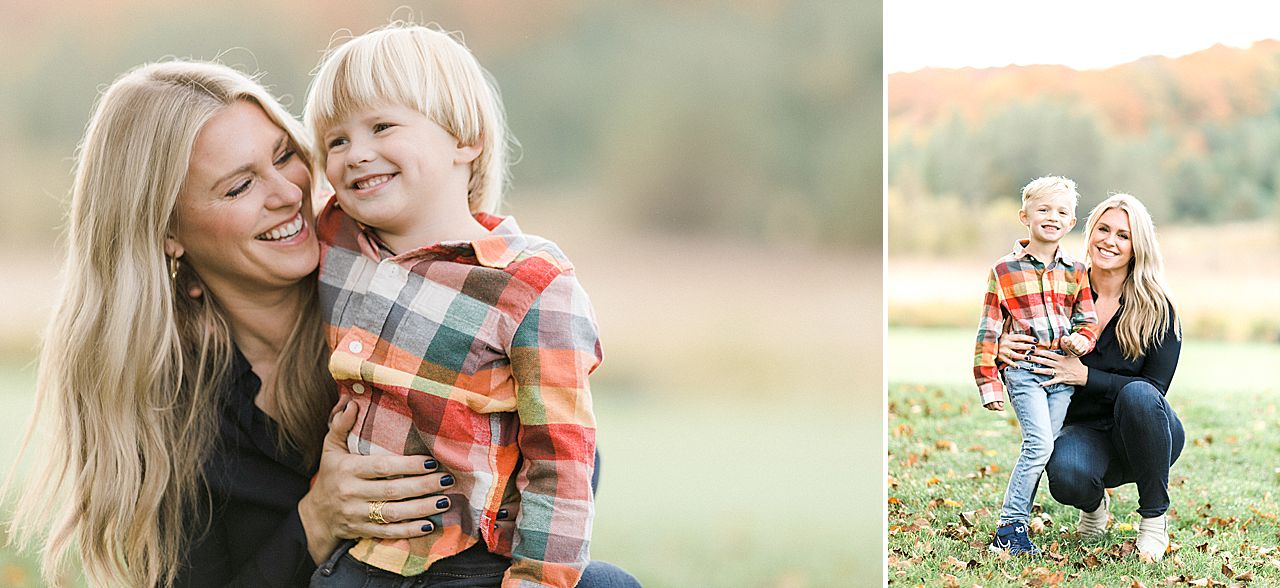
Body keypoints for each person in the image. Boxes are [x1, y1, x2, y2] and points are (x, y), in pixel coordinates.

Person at [6, 60, 637, 588]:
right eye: (238, 187)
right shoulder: (163, 399)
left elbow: (567, 457)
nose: (287, 192)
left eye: (285, 155)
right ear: (168, 233)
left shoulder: (387, 283)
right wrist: (318, 518)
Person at [302, 23, 602, 587]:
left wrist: (537, 580)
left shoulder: (530, 284)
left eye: (382, 126)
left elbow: (561, 461)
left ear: (465, 140)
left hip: (465, 565)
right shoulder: (335, 236)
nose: (355, 154)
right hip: (353, 561)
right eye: (336, 141)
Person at [998, 193, 1182, 561]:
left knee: (1139, 395)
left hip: (1146, 435)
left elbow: (1155, 391)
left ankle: (1153, 521)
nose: (1110, 241)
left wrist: (1084, 376)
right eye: (1103, 229)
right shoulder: (1060, 289)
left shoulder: (1158, 308)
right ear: (1089, 231)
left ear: (1138, 246)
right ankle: (1094, 507)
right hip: (1083, 433)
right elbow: (1024, 351)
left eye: (1123, 235)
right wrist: (1004, 348)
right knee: (1066, 474)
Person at [974, 176, 1099, 556]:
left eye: (1061, 212)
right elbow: (989, 328)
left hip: (1061, 375)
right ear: (1024, 216)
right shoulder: (1004, 270)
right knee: (1038, 444)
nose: (1052, 217)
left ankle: (1016, 529)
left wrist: (1081, 341)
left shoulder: (1076, 271)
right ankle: (1009, 527)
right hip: (1024, 372)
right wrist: (988, 382)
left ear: (1071, 222)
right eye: (1043, 209)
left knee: (1044, 450)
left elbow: (1087, 320)